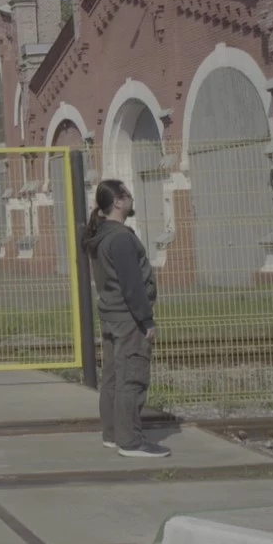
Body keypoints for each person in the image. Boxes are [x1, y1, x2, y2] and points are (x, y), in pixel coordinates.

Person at [81, 179, 170, 458]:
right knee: (131, 377)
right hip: (128, 318)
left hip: (111, 315)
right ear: (118, 202)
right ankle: (130, 441)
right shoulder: (120, 238)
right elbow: (132, 285)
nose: (131, 198)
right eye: (127, 195)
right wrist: (146, 321)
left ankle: (112, 434)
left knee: (113, 377)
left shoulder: (103, 235)